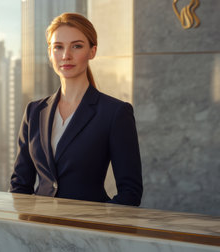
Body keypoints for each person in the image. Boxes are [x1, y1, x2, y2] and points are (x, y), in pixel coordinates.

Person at [10, 13, 143, 206]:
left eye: (77, 46)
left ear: (92, 51)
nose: (66, 55)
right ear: (50, 52)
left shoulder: (115, 113)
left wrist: (96, 226)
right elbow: (19, 185)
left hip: (87, 230)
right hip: (38, 230)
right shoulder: (34, 112)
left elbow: (130, 192)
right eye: (58, 47)